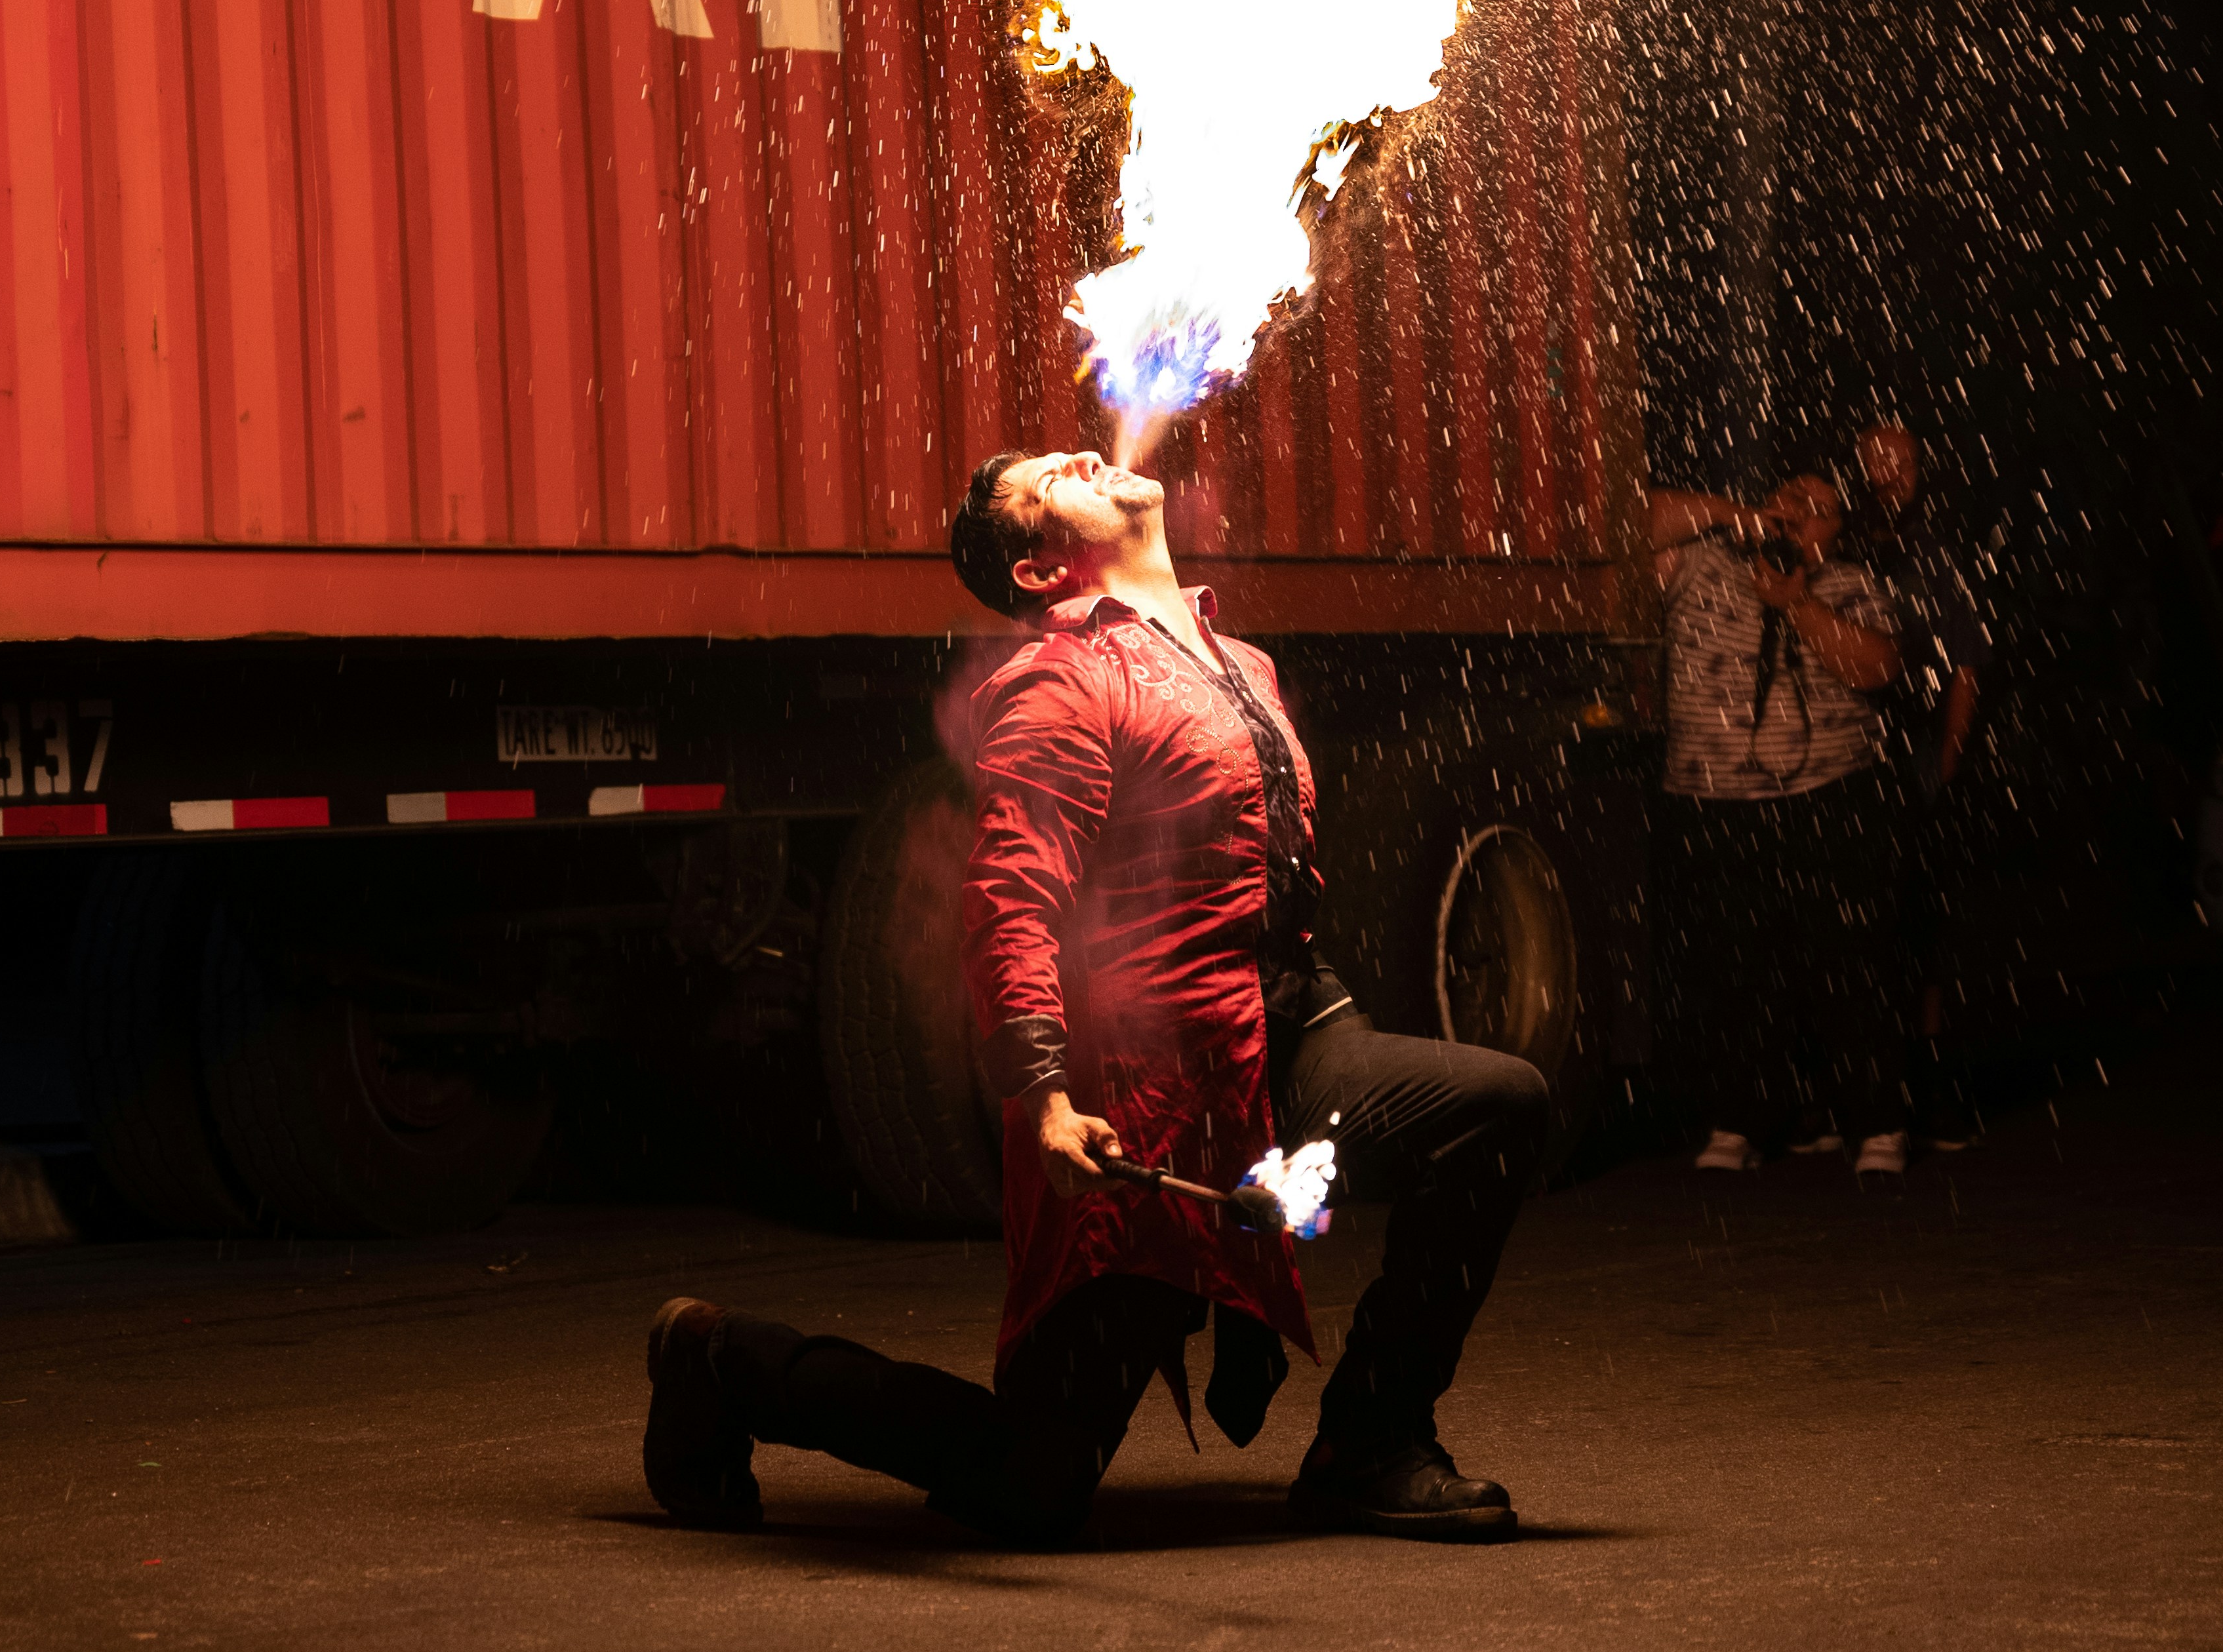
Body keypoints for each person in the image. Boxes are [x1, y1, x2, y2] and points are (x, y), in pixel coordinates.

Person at [641, 445, 1548, 1548]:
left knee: (1495, 1104)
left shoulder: (1240, 662)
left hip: (1287, 1040)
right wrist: (1041, 1097)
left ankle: (1370, 1438)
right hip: (1152, 1095)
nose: (1081, 451)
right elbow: (1010, 902)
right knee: (1030, 1478)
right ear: (1038, 570)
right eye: (1046, 481)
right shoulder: (1058, 680)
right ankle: (721, 1360)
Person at [1649, 463, 1909, 1173]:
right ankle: (1741, 1120)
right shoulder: (1699, 562)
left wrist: (1797, 603)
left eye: (1819, 507)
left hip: (1830, 800)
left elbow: (1877, 668)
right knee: (1735, 969)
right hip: (1713, 801)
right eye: (1792, 494)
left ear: (1839, 533)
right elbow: (1630, 523)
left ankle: (1875, 1123)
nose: (1799, 509)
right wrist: (1731, 513)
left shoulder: (1852, 583)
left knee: (1847, 965)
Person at [1849, 417, 1994, 1141]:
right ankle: (1864, 1088)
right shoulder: (1842, 547)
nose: (1888, 475)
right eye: (1877, 461)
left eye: (1901, 463)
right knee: (1861, 929)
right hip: (1847, 761)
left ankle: (1929, 1086)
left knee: (1922, 928)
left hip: (1912, 758)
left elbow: (1967, 662)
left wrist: (1946, 761)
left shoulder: (1934, 553)